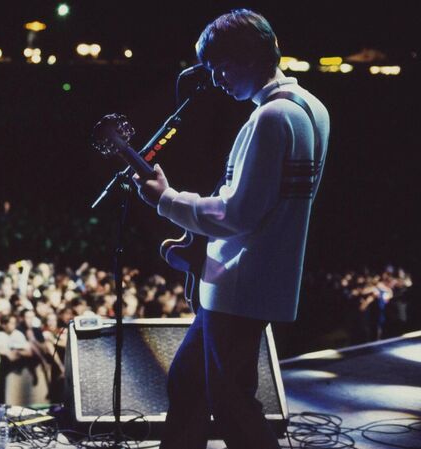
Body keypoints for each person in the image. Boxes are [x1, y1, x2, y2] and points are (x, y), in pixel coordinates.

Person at [133, 9, 330, 449]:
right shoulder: (313, 109)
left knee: (232, 404)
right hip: (253, 281)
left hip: (240, 284)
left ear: (246, 57)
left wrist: (166, 199)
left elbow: (237, 215)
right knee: (188, 385)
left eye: (218, 66)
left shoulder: (271, 118)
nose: (215, 79)